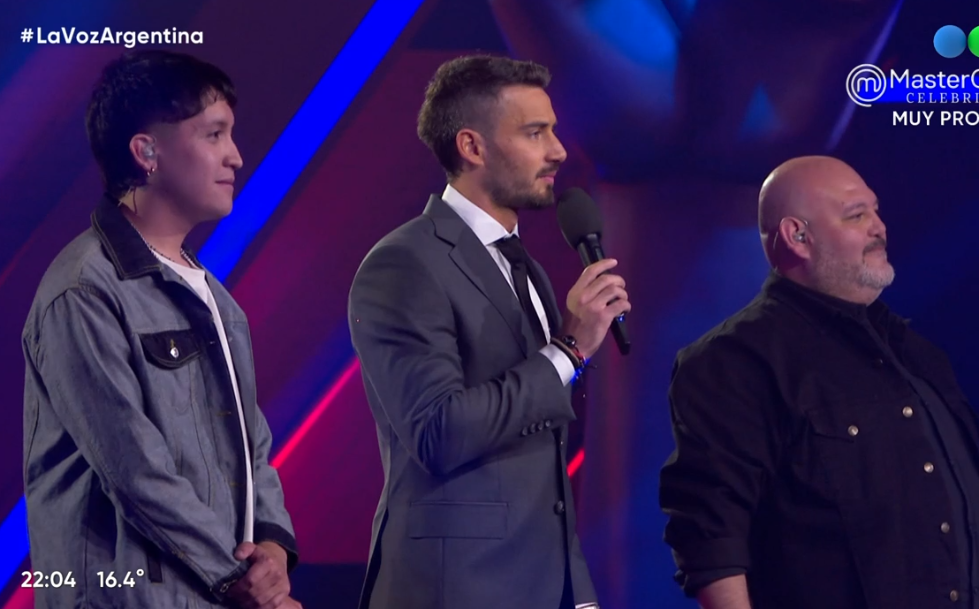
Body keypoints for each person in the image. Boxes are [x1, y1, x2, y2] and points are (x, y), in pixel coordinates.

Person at [348, 54, 631, 609]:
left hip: (543, 585)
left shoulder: (525, 266)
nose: (559, 151)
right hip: (455, 589)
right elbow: (439, 432)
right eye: (535, 133)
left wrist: (578, 593)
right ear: (472, 147)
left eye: (553, 131)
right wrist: (569, 349)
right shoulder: (405, 262)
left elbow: (542, 459)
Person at [22, 50, 301, 609]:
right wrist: (238, 579)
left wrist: (271, 550)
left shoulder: (215, 297)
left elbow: (253, 448)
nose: (236, 156)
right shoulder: (83, 290)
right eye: (214, 134)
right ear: (147, 152)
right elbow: (134, 470)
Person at [659, 155, 979, 609]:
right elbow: (712, 539)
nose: (880, 227)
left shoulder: (916, 352)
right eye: (857, 215)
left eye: (876, 210)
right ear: (798, 236)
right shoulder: (734, 362)